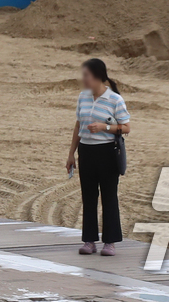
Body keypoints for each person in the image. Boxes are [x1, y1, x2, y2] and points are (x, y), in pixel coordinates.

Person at [66, 58, 131, 257]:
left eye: (87, 75)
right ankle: (89, 241)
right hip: (86, 151)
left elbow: (126, 127)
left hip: (107, 152)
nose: (84, 79)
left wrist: (104, 127)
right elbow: (78, 125)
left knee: (109, 197)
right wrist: (71, 153)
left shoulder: (115, 100)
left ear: (98, 77)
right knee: (89, 197)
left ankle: (110, 242)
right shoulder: (82, 97)